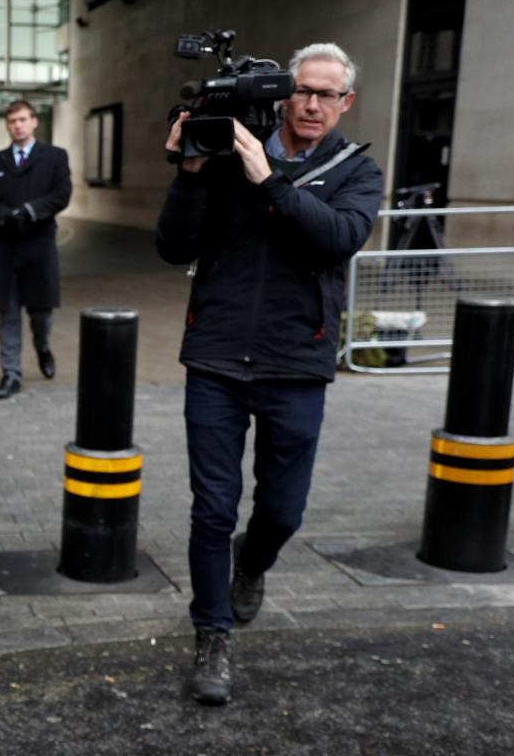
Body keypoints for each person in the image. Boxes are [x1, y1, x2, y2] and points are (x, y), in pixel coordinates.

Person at [156, 42, 383, 705]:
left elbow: (337, 238)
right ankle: (212, 637)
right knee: (212, 510)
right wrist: (193, 170)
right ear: (284, 92)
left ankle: (253, 562)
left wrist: (270, 180)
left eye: (327, 94)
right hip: (217, 357)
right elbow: (173, 247)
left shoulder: (355, 171)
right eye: (302, 90)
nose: (311, 104)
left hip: (297, 361)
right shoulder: (230, 155)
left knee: (282, 512)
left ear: (345, 103)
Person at [0, 99, 72, 399]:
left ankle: (42, 347)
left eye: (22, 119)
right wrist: (4, 216)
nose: (17, 125)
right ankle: (11, 373)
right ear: (8, 125)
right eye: (11, 121)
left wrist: (30, 210)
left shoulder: (55, 157)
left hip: (38, 248)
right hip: (4, 248)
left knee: (41, 312)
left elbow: (61, 194)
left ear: (33, 122)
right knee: (8, 313)